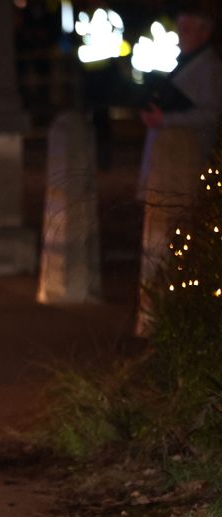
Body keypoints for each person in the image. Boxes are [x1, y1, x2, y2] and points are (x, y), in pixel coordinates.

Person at [135, 10, 222, 335]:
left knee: (172, 240)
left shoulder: (209, 66)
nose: (181, 33)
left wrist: (168, 120)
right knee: (158, 240)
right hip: (165, 163)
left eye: (187, 28)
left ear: (203, 32)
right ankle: (152, 316)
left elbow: (211, 114)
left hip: (181, 166)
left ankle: (165, 318)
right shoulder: (184, 63)